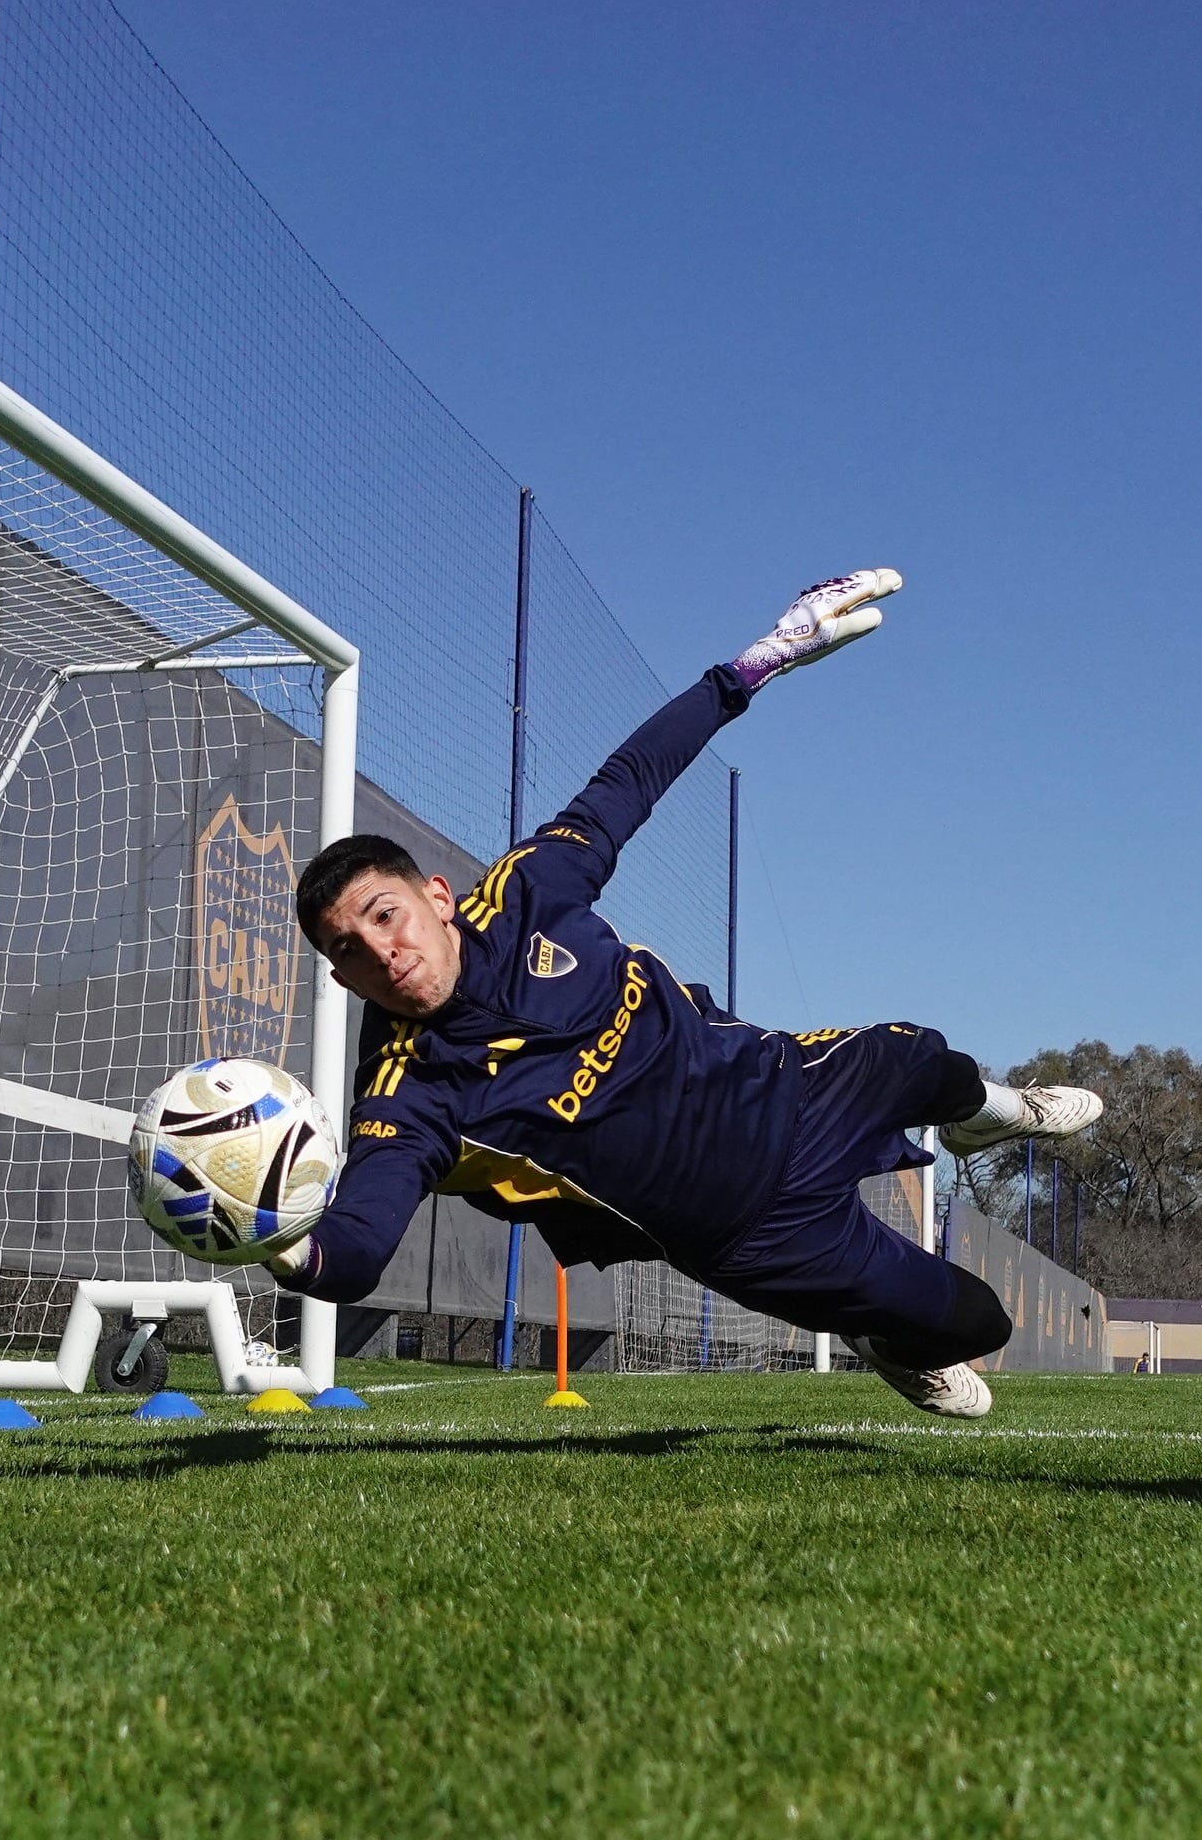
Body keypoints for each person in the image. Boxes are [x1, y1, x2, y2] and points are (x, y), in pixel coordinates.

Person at [255, 569, 1103, 1419]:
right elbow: (359, 1245)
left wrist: (750, 668)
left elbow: (627, 780)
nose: (381, 950)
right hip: (752, 1233)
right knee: (972, 1319)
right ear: (339, 976)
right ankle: (889, 1334)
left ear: (437, 896)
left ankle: (985, 1112)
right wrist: (278, 1236)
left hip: (788, 1084)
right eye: (350, 950)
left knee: (926, 1057)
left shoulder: (527, 892)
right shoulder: (408, 1093)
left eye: (385, 914)